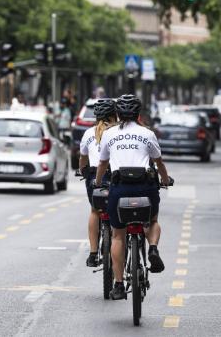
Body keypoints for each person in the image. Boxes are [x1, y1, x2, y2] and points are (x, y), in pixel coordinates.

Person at [94, 94, 171, 301]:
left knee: (118, 234)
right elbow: (159, 162)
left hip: (120, 188)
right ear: (138, 114)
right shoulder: (147, 133)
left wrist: (98, 182)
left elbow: (102, 164)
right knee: (152, 220)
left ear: (118, 113)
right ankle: (153, 249)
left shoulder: (110, 134)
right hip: (145, 186)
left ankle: (119, 284)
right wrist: (165, 180)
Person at [78, 98, 117, 267]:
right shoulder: (118, 132)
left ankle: (93, 253)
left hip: (94, 175)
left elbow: (83, 158)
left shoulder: (88, 134)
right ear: (115, 115)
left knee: (95, 211)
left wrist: (83, 171)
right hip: (115, 175)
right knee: (117, 213)